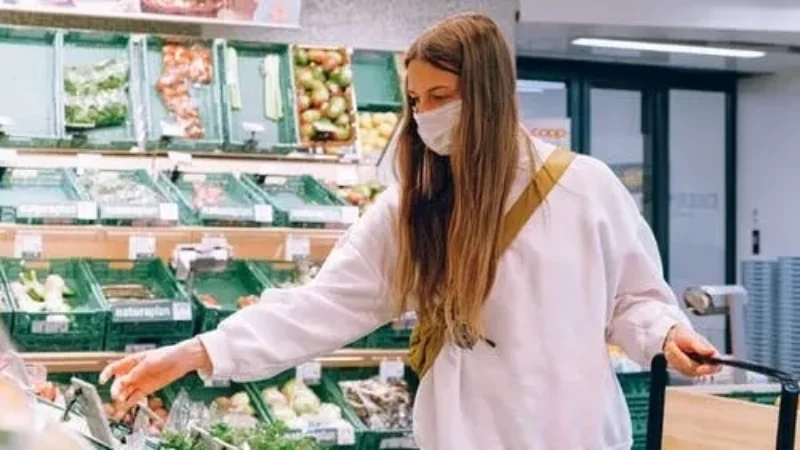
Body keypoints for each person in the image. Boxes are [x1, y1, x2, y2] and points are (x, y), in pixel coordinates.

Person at [101, 12, 720, 449]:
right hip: (464, 435)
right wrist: (196, 352)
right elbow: (324, 305)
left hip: (576, 435)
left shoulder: (586, 188)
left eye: (440, 95)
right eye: (416, 101)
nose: (424, 115)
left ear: (490, 94)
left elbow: (634, 300)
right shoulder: (415, 209)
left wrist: (665, 335)